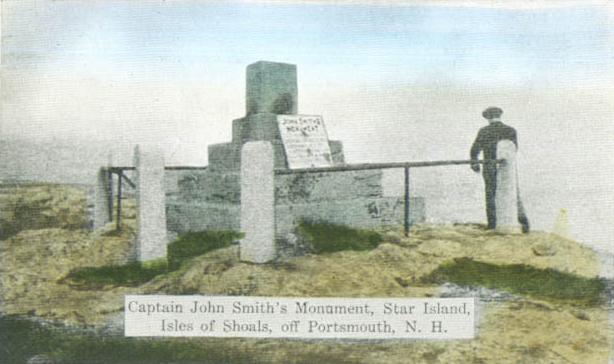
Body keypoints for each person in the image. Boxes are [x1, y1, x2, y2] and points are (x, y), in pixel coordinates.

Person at [470, 107, 530, 233]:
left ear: (487, 118)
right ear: (500, 115)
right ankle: (523, 223)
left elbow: (475, 149)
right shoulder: (510, 130)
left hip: (489, 165)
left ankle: (492, 223)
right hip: (507, 166)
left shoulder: (484, 131)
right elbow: (514, 149)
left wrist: (474, 163)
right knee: (512, 192)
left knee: (491, 194)